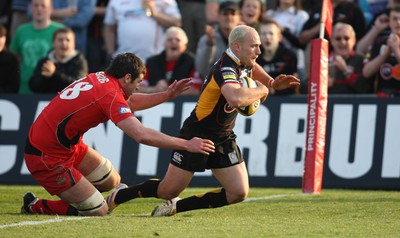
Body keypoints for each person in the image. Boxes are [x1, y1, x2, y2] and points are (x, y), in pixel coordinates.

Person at [104, 25, 300, 217]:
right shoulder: (225, 68)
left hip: (223, 136)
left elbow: (252, 67)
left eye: (259, 46)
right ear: (237, 47)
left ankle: (176, 208)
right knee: (167, 190)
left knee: (238, 192)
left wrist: (272, 81)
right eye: (254, 46)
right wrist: (263, 90)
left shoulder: (243, 60)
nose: (259, 51)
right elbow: (236, 98)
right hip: (197, 133)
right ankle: (121, 194)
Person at [21, 52, 215, 216]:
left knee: (112, 181)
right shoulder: (109, 94)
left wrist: (166, 95)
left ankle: (81, 194)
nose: (139, 86)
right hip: (46, 156)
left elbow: (130, 102)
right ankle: (34, 205)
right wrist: (186, 144)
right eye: (138, 81)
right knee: (99, 210)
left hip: (65, 145)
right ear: (127, 77)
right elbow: (141, 135)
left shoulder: (103, 79)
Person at [10, 0, 64, 94]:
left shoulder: (60, 31)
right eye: (36, 5)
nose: (39, 9)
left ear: (51, 9)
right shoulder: (21, 31)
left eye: (43, 6)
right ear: (30, 8)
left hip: (50, 89)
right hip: (24, 88)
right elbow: (14, 57)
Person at [103, 0, 181, 63]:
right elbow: (109, 28)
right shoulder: (115, 1)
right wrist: (111, 53)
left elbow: (176, 22)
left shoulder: (166, 1)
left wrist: (155, 14)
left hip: (154, 60)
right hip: (124, 60)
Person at [138, 26, 202, 95]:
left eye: (178, 40)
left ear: (185, 45)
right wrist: (154, 89)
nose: (173, 42)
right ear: (164, 44)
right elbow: (136, 88)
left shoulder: (193, 63)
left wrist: (171, 91)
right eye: (169, 40)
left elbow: (197, 89)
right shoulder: (151, 63)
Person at [29, 27, 88, 93]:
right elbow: (33, 86)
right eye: (60, 40)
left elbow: (79, 86)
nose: (64, 43)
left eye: (68, 40)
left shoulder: (80, 62)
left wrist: (55, 73)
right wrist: (46, 77)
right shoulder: (44, 62)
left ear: (74, 44)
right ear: (53, 43)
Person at [265, 0, 309, 83]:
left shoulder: (301, 15)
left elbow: (301, 43)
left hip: (296, 63)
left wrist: (282, 30)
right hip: (272, 63)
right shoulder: (269, 14)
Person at [195, 1, 241, 77]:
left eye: (232, 14)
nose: (229, 17)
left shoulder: (244, 39)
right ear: (218, 16)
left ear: (239, 18)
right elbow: (201, 70)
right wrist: (210, 45)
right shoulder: (206, 39)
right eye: (225, 14)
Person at [362, 6, 400, 97]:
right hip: (384, 96)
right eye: (394, 19)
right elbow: (366, 72)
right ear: (389, 22)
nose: (398, 22)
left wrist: (396, 50)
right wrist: (385, 54)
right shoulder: (380, 41)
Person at [256, 19, 298, 95]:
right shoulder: (254, 56)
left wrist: (274, 90)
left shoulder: (289, 56)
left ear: (279, 37)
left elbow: (292, 84)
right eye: (263, 34)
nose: (267, 37)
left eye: (271, 33)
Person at [328, 22, 371, 94]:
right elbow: (305, 87)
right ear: (332, 41)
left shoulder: (360, 60)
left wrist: (345, 70)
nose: (342, 42)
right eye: (338, 38)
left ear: (354, 40)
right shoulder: (323, 60)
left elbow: (364, 88)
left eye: (346, 38)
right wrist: (321, 83)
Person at [0, 23, 20, 93]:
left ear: (5, 38)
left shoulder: (11, 59)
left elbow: (14, 86)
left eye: (1, 37)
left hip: (6, 99)